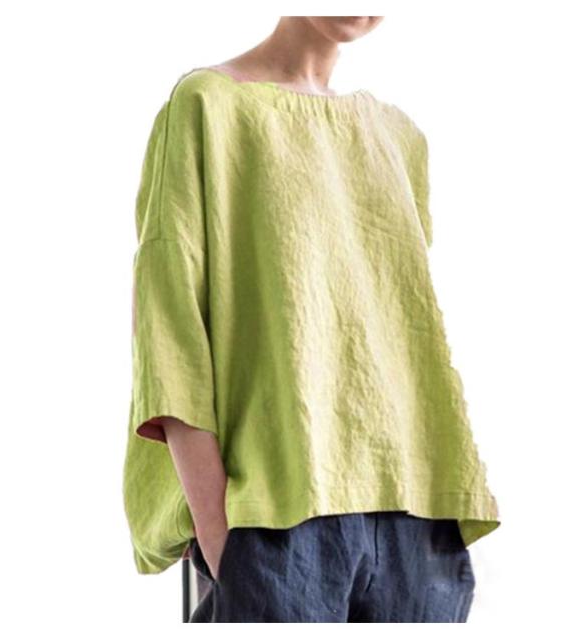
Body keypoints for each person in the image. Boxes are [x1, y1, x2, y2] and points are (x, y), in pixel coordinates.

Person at [122, 16, 501, 622]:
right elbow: (169, 337)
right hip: (276, 517)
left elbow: (400, 327)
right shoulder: (208, 107)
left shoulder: (397, 135)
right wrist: (220, 537)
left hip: (418, 514)